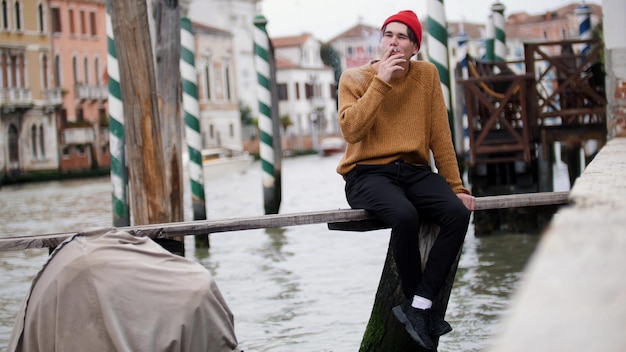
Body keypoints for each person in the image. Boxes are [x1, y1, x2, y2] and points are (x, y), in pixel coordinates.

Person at [335, 9, 476, 351]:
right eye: (388, 35)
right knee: (405, 216)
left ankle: (419, 305)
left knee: (457, 214)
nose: (394, 43)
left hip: (413, 171)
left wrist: (456, 186)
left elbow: (440, 137)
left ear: (415, 47)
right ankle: (416, 303)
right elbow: (352, 130)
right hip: (366, 173)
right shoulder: (354, 78)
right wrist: (381, 80)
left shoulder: (426, 76)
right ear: (380, 41)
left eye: (402, 37)